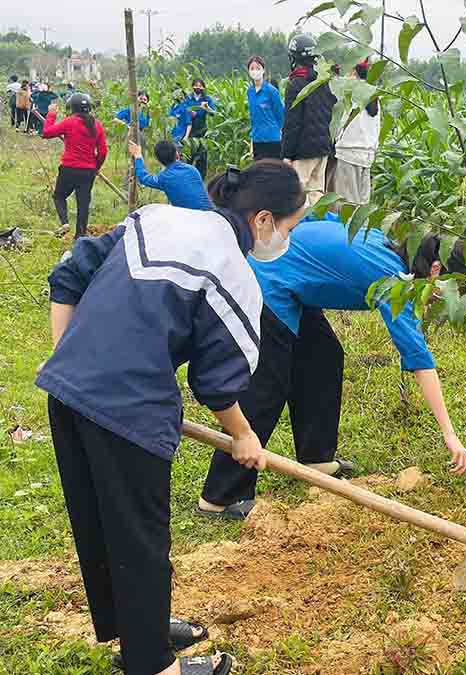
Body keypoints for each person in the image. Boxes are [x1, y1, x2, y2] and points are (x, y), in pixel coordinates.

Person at [35, 159, 307, 675]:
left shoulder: (156, 217)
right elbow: (218, 381)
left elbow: (69, 271)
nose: (285, 240)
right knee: (141, 537)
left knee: (104, 527)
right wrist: (245, 436)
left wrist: (66, 355)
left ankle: (143, 629)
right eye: (289, 228)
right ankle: (152, 664)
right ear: (263, 220)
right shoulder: (233, 270)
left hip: (67, 392)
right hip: (127, 409)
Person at [198, 214, 466, 518]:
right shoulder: (395, 281)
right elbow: (420, 360)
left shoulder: (388, 238)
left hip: (293, 276)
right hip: (269, 280)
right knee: (267, 388)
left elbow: (325, 216)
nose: (444, 299)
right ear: (436, 270)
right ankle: (220, 497)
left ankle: (316, 457)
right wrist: (450, 434)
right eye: (449, 291)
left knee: (323, 356)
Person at [42, 93, 108, 241]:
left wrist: (51, 115)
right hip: (88, 171)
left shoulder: (69, 122)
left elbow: (46, 133)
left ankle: (65, 223)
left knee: (59, 196)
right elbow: (103, 151)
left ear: (72, 107)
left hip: (69, 169)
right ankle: (80, 237)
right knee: (83, 204)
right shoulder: (97, 124)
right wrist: (96, 166)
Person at [282, 33, 336, 206]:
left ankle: (301, 232)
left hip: (303, 152)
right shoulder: (324, 82)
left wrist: (287, 154)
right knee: (317, 196)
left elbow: (292, 123)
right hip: (322, 150)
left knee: (298, 197)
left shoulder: (295, 84)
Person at [330, 59, 380, 204]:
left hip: (348, 153)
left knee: (346, 202)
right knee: (362, 202)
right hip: (366, 155)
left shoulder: (350, 93)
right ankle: (362, 227)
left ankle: (347, 227)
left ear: (354, 72)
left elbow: (339, 122)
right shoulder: (374, 94)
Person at [128, 140, 213, 211]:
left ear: (158, 160)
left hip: (189, 218)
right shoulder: (192, 169)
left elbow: (144, 178)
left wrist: (138, 156)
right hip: (210, 213)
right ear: (177, 154)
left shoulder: (164, 178)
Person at [246, 56, 285, 161]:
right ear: (248, 71)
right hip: (257, 139)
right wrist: (251, 141)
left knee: (273, 171)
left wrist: (278, 132)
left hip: (272, 140)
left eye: (258, 68)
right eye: (252, 68)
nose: (255, 71)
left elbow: (280, 114)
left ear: (263, 70)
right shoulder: (250, 92)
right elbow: (253, 117)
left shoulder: (271, 91)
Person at [183, 78, 216, 180]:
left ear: (203, 87)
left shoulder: (207, 99)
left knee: (202, 156)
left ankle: (200, 178)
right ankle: (186, 177)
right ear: (192, 87)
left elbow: (213, 113)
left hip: (202, 131)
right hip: (189, 130)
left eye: (200, 86)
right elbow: (184, 111)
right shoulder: (188, 99)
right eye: (196, 85)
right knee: (189, 155)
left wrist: (206, 108)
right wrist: (190, 113)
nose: (198, 87)